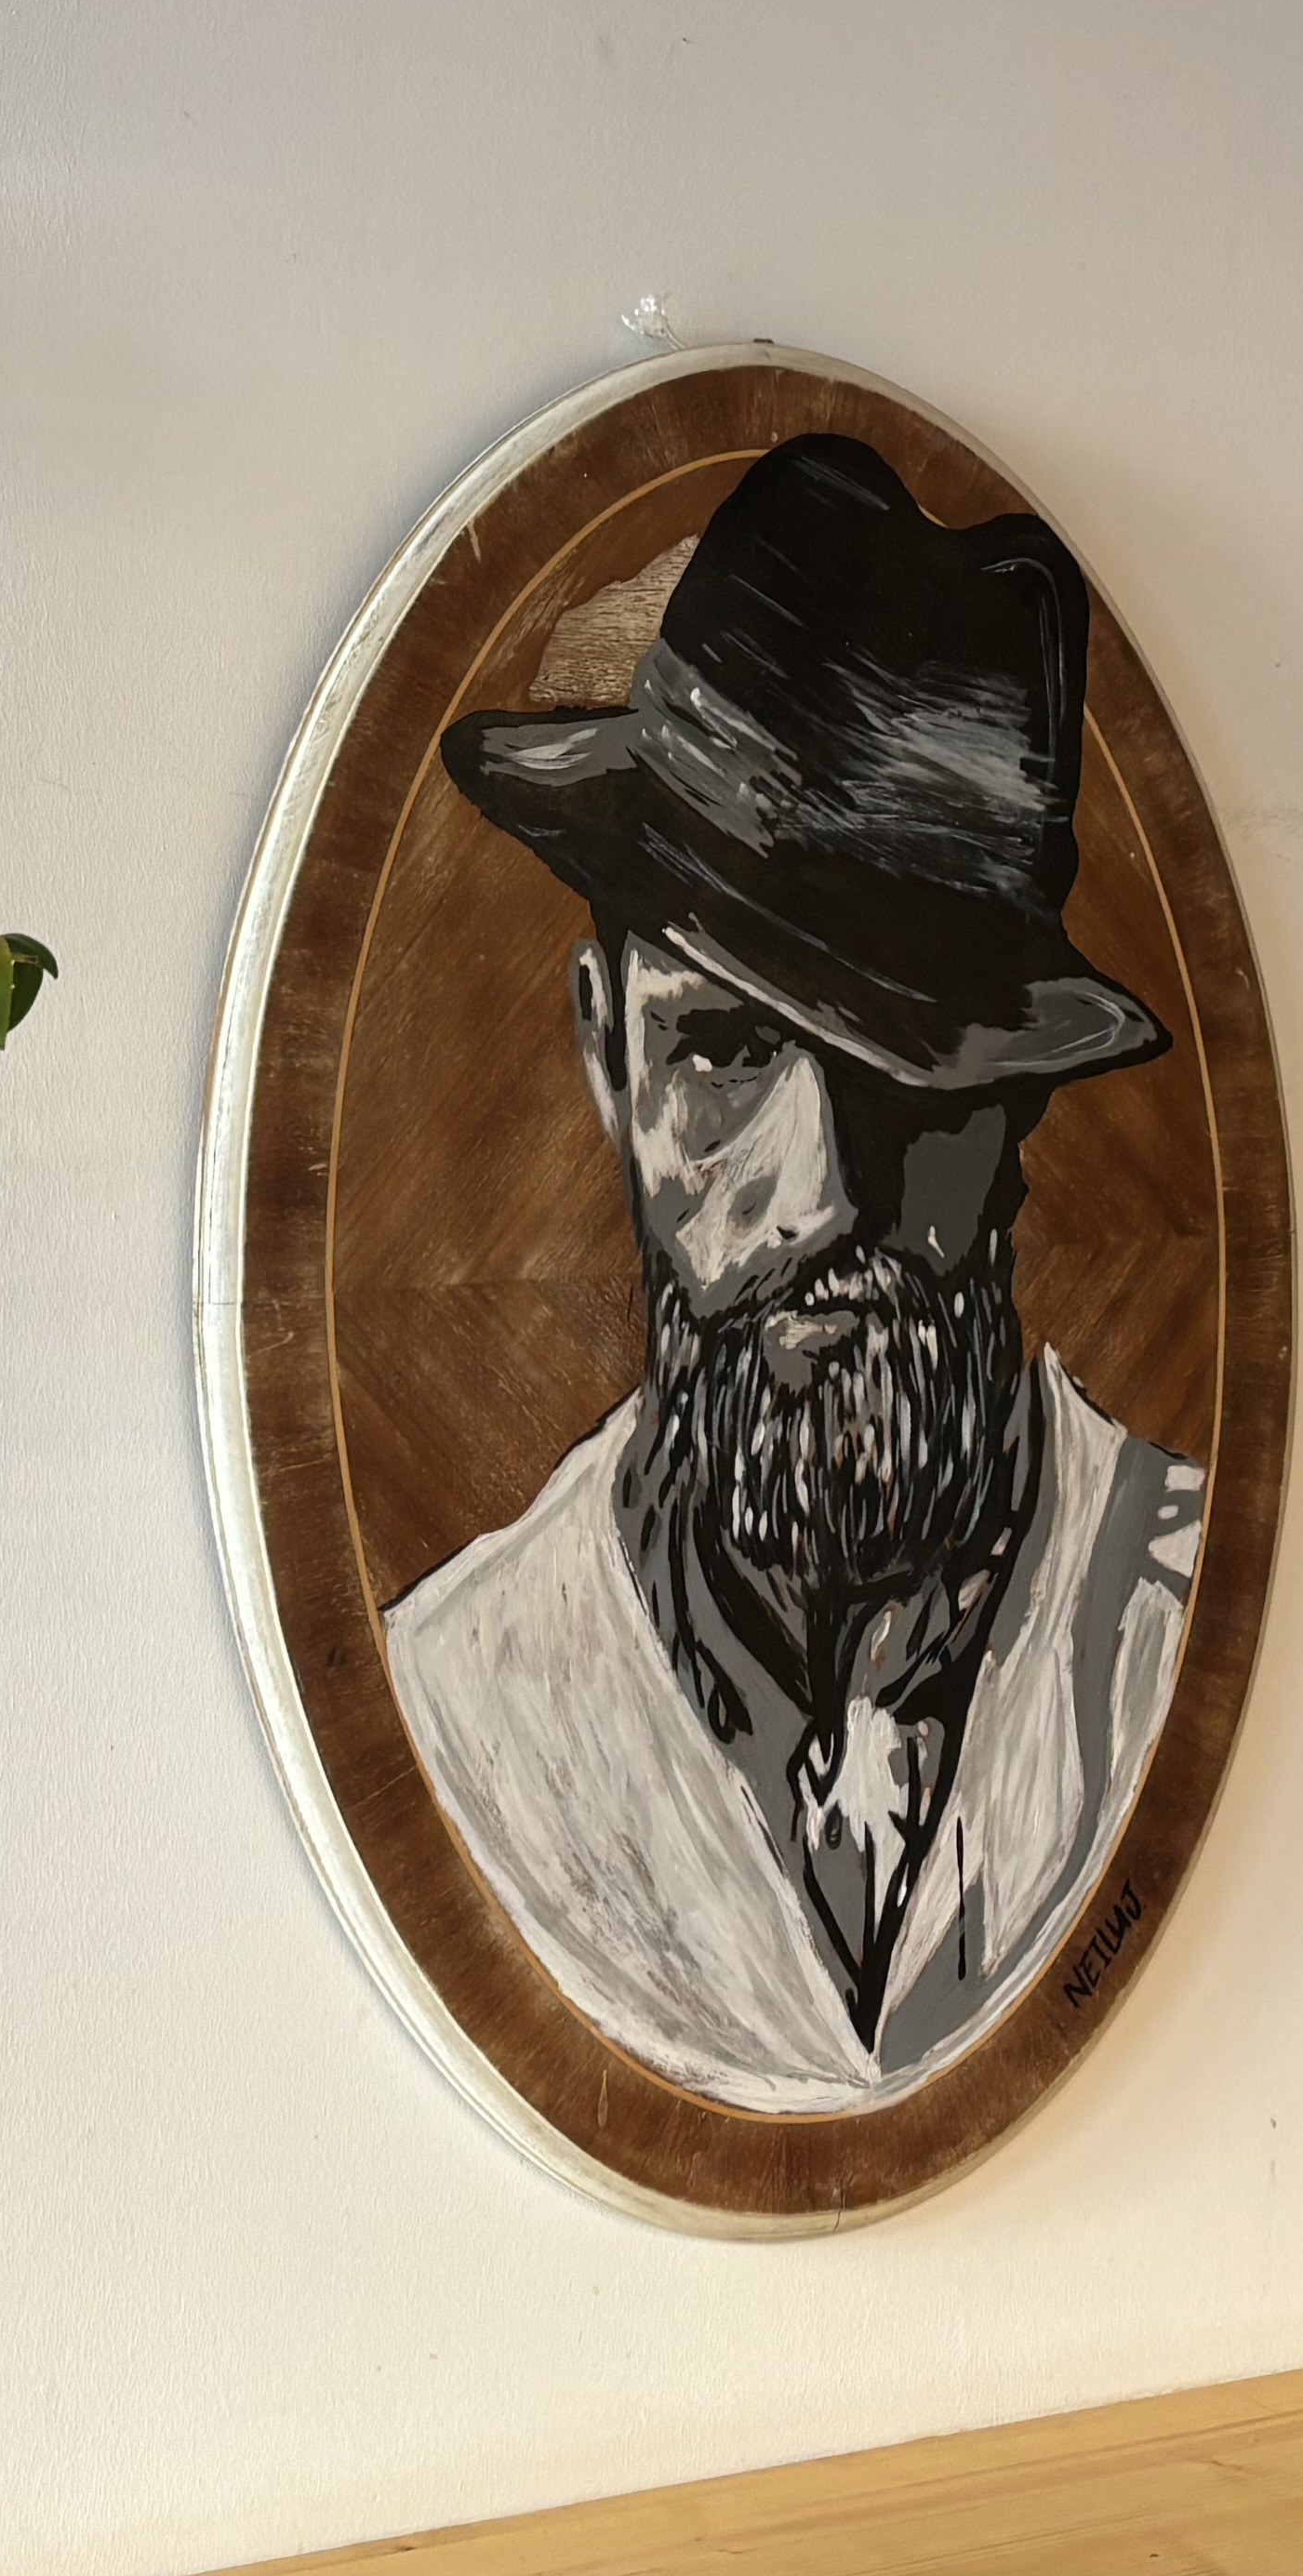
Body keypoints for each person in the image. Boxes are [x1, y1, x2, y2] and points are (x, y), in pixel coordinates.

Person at [383, 435, 1199, 2116]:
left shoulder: (1172, 1624)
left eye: (912, 1065)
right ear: (606, 1059)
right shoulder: (464, 1707)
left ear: (1022, 1099)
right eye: (728, 1049)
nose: (821, 1195)